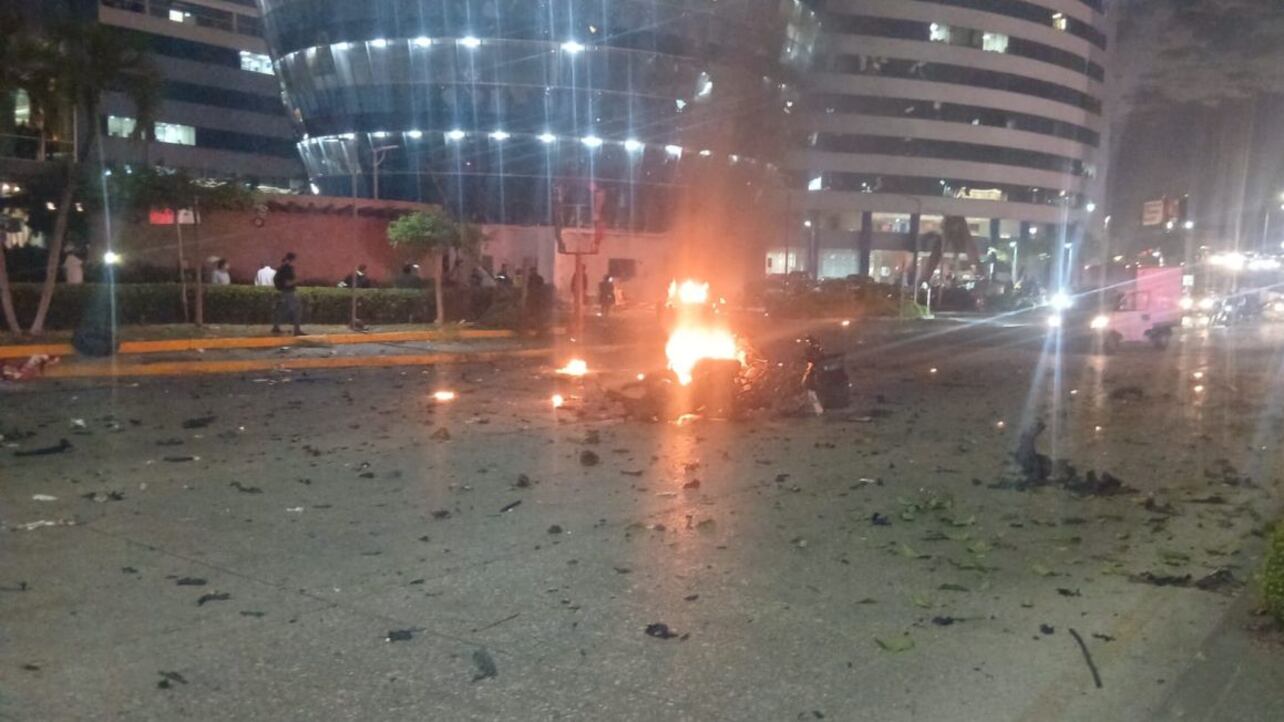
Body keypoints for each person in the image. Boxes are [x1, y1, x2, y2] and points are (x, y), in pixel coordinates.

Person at [271, 252, 304, 336]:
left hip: (283, 292)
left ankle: (275, 327)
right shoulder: (288, 269)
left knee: (282, 310)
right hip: (288, 292)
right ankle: (297, 330)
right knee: (297, 309)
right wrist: (297, 280)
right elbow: (287, 283)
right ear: (293, 260)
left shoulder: (283, 267)